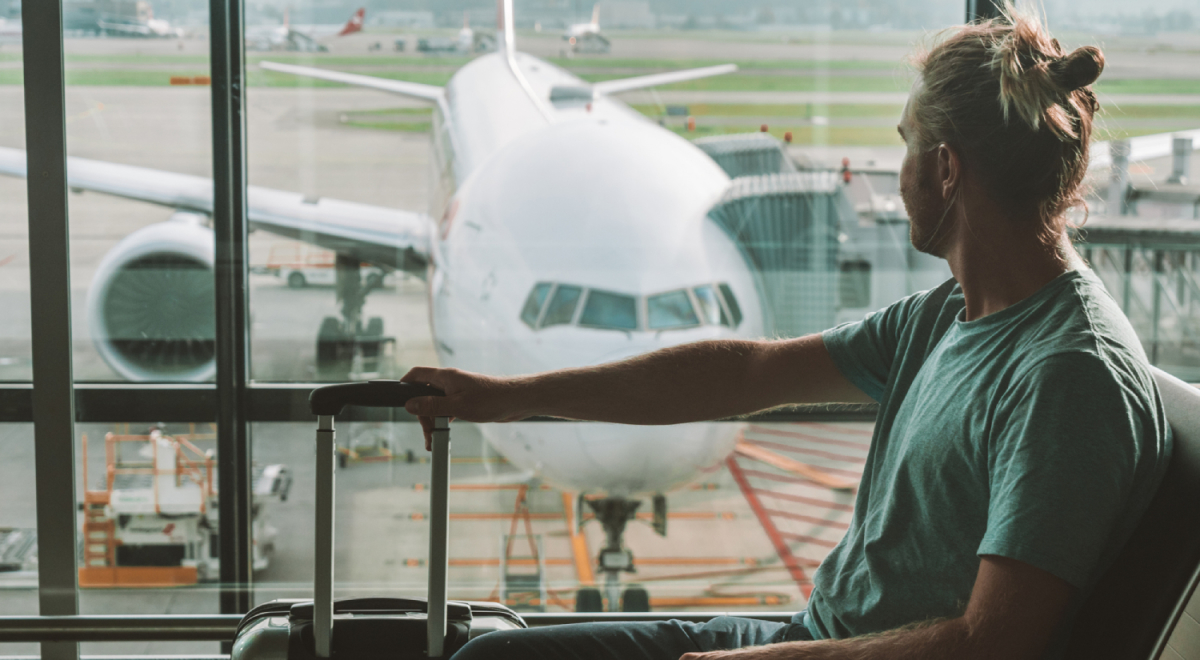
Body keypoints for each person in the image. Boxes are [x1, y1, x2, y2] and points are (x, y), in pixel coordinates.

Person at [402, 7, 1171, 660]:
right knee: (494, 653)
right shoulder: (951, 314)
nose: (891, 177)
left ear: (943, 169)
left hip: (818, 648)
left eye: (904, 145)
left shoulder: (1070, 376)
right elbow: (744, 375)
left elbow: (989, 646)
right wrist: (505, 397)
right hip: (813, 634)